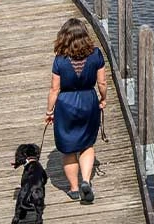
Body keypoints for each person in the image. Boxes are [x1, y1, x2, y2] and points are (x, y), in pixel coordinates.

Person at [46, 18, 108, 204]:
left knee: (68, 149)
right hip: (88, 101)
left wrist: (49, 111)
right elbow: (102, 82)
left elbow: (54, 89)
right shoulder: (96, 55)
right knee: (87, 144)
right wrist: (103, 98)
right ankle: (86, 181)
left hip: (66, 104)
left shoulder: (60, 60)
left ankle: (73, 189)